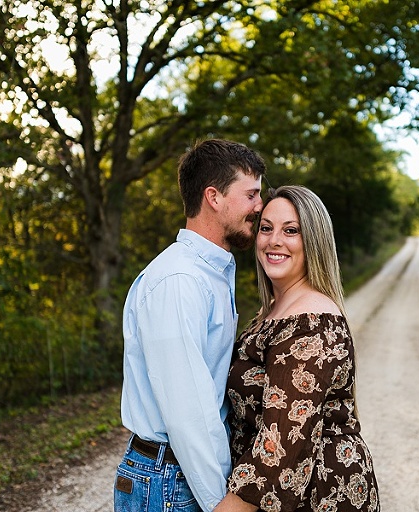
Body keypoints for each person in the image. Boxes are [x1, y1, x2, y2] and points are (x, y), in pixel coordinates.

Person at [115, 138, 267, 512]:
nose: (259, 207)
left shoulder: (210, 272)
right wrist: (222, 503)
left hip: (180, 475)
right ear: (213, 197)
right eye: (251, 195)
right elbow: (189, 413)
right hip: (170, 482)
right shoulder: (179, 281)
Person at [216, 185, 381, 512]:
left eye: (291, 231)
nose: (274, 240)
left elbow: (281, 445)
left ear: (314, 241)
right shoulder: (274, 312)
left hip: (320, 495)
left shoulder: (311, 322)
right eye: (266, 228)